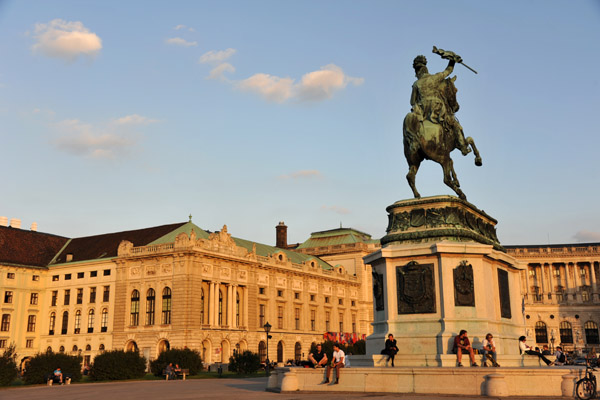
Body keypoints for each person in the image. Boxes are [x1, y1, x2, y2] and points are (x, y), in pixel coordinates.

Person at [410, 51, 470, 156]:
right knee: (454, 124)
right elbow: (449, 70)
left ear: (417, 71)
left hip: (423, 111)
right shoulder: (435, 77)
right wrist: (453, 60)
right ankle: (463, 147)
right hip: (437, 108)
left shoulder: (416, 84)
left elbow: (412, 102)